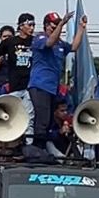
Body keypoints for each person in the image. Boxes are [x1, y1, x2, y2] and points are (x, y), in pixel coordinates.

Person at [30, 11, 86, 151]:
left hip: (52, 87)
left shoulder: (60, 43)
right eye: (53, 25)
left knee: (50, 120)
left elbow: (73, 47)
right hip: (40, 85)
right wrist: (62, 24)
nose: (56, 27)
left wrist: (81, 28)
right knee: (42, 119)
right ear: (46, 25)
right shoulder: (39, 38)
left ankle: (44, 148)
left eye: (58, 24)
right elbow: (49, 42)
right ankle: (37, 149)